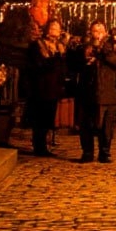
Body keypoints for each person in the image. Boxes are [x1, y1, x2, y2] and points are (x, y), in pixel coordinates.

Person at [72, 22, 116, 163]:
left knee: (106, 127)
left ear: (105, 32)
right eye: (95, 31)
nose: (98, 34)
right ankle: (87, 152)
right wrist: (85, 58)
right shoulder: (83, 47)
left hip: (107, 91)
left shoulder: (112, 47)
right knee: (86, 125)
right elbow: (74, 64)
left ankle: (105, 152)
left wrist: (104, 51)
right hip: (87, 91)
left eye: (100, 31)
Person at [25, 18, 67, 157]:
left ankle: (44, 144)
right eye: (52, 28)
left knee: (48, 117)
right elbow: (38, 65)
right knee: (39, 118)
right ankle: (39, 146)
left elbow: (62, 67)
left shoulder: (60, 47)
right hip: (40, 87)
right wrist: (54, 58)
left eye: (57, 28)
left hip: (53, 87)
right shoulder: (37, 45)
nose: (54, 31)